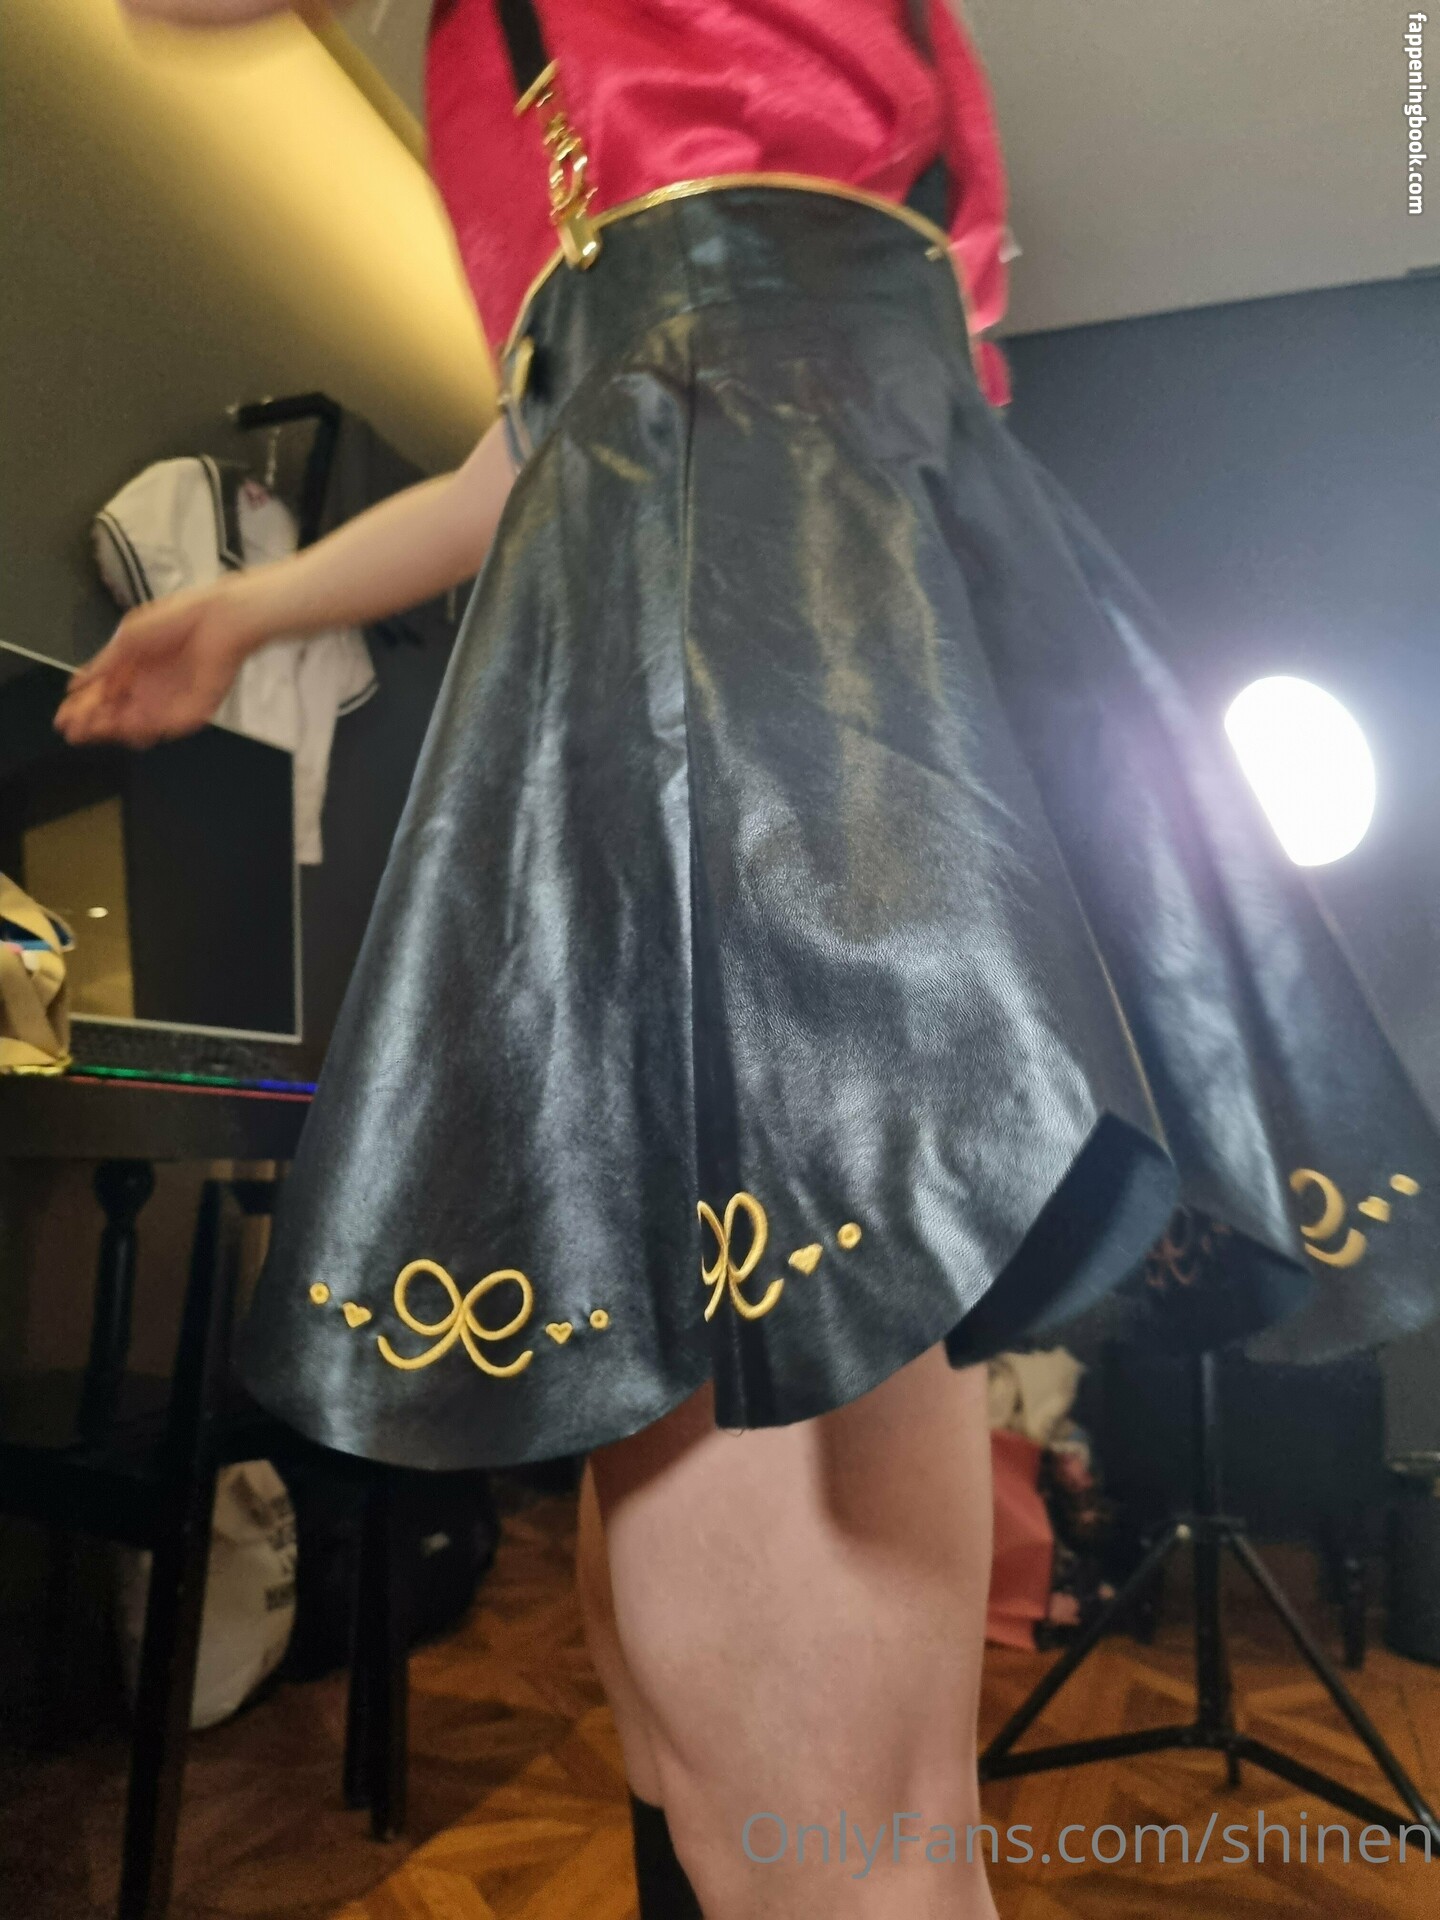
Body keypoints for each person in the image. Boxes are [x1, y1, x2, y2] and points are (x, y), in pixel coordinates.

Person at [58, 4, 1440, 1915]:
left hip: (746, 567)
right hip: (759, 534)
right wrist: (251, 609)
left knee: (815, 1810)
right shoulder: (643, 166)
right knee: (776, 1747)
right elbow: (538, 440)